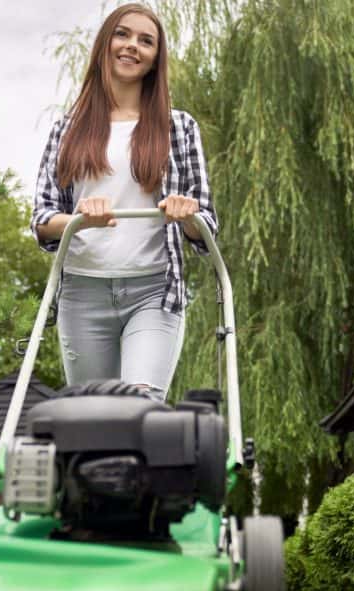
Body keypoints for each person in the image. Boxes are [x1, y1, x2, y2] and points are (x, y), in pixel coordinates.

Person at [31, 3, 218, 401]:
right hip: (83, 291)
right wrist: (80, 220)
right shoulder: (68, 128)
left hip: (154, 290)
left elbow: (206, 228)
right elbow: (43, 219)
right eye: (123, 34)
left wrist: (187, 215)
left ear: (155, 59)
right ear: (105, 44)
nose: (132, 46)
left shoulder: (178, 127)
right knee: (92, 417)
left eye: (145, 41)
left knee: (140, 409)